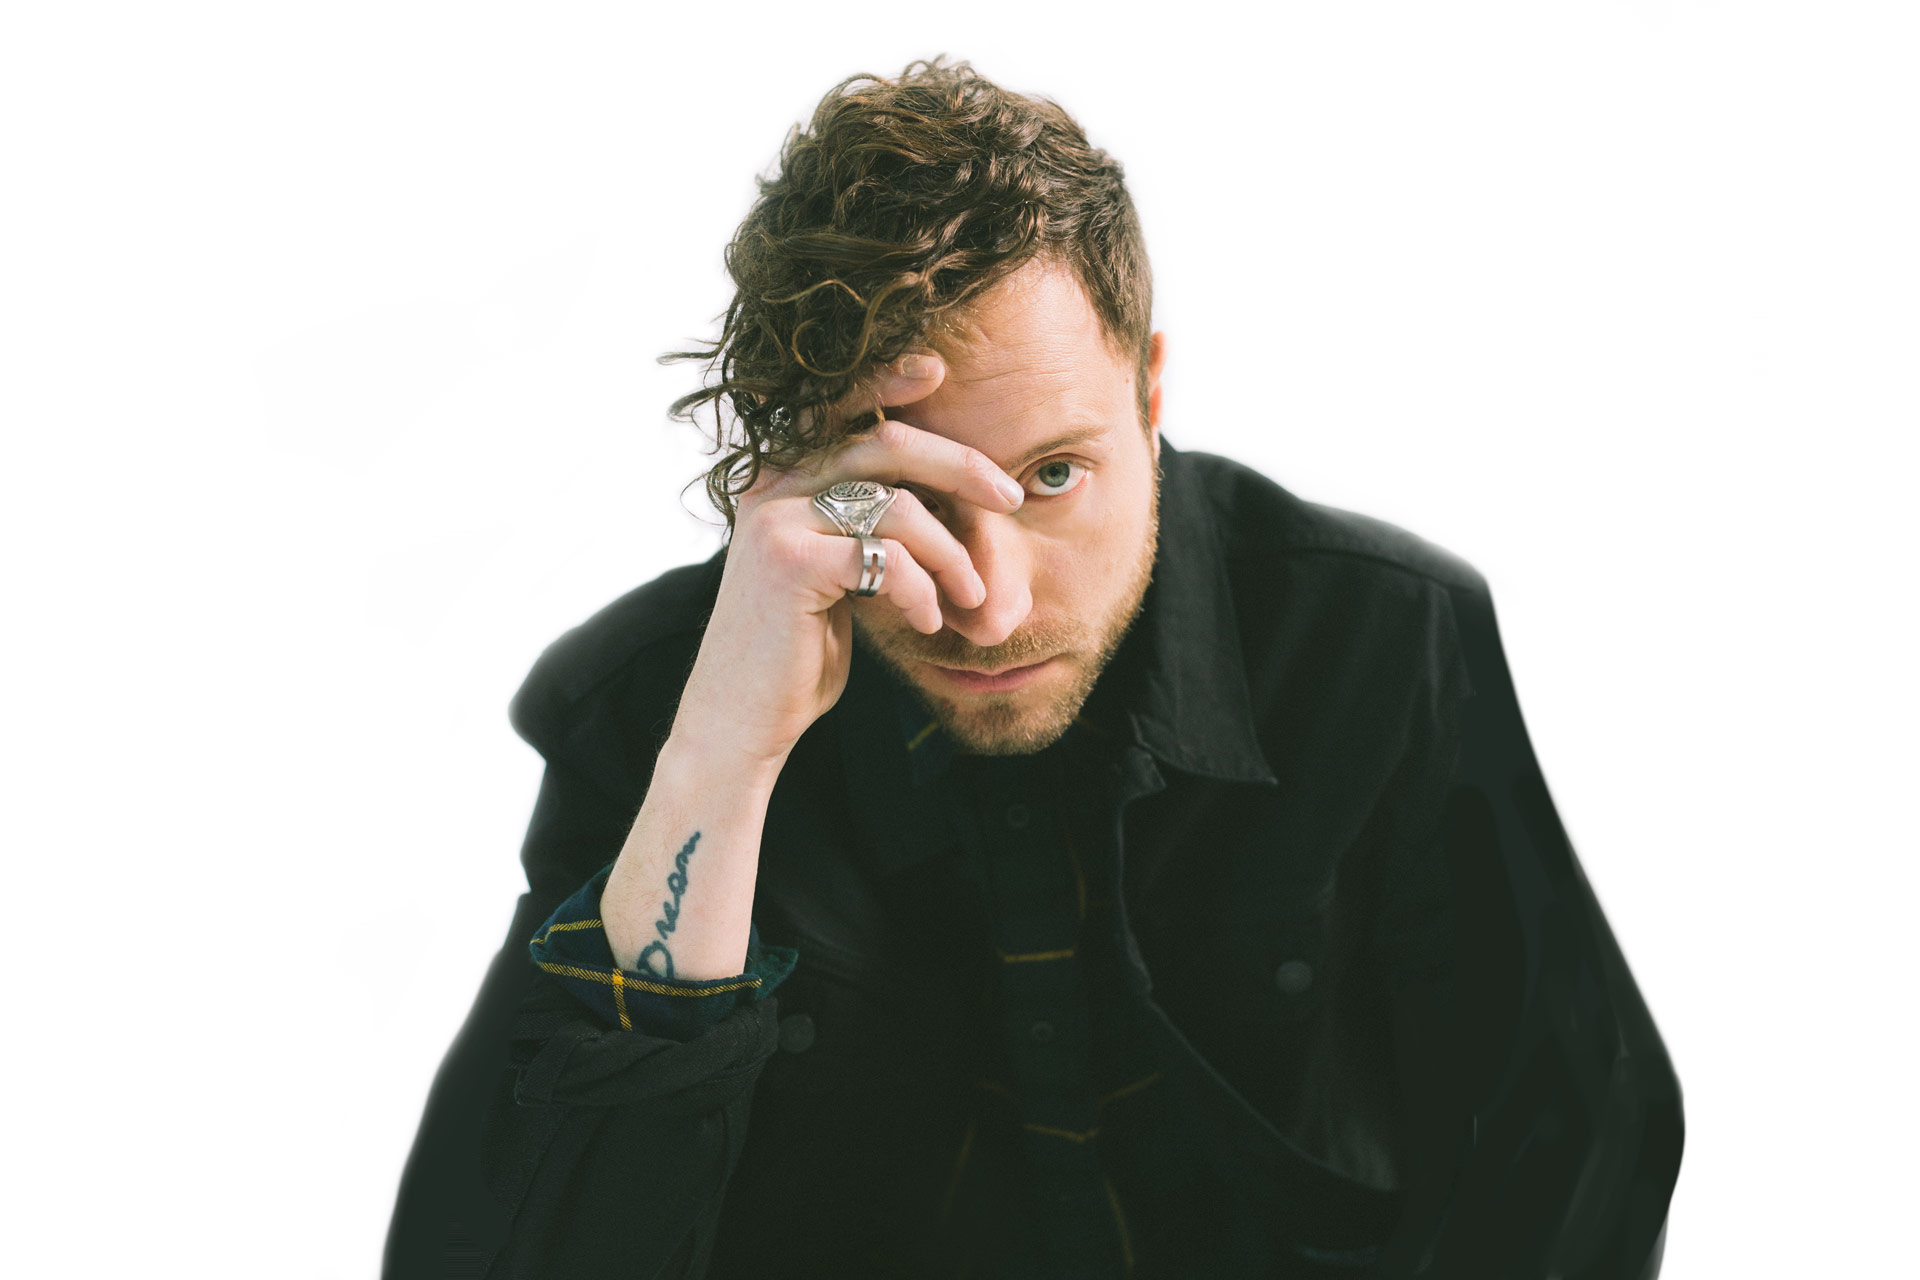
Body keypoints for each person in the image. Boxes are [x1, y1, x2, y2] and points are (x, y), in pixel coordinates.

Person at [384, 56, 1682, 1280]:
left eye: (1054, 475)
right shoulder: (657, 710)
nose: (989, 605)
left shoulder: (1380, 643)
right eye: (908, 495)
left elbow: (1578, 1148)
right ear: (795, 467)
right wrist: (724, 759)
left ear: (1150, 395)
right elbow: (507, 1252)